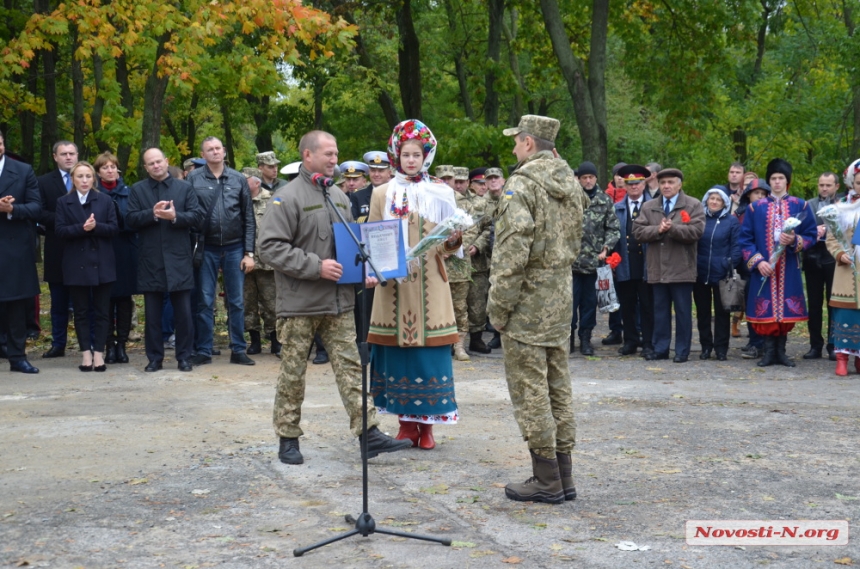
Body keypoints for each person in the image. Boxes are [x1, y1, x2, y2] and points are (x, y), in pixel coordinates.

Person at [257, 129, 412, 465]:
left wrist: (363, 272)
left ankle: (368, 434)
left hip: (339, 303)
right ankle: (288, 438)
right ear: (308, 155)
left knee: (353, 369)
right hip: (300, 304)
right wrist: (315, 267)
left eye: (336, 153)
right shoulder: (288, 197)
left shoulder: (338, 196)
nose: (334, 160)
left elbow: (349, 246)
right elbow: (268, 248)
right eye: (328, 154)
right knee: (293, 375)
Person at [489, 114, 587, 504]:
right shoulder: (570, 183)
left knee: (531, 390)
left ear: (529, 143)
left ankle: (546, 480)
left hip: (528, 304)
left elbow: (512, 256)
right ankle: (563, 476)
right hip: (560, 298)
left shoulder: (522, 185)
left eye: (517, 141)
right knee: (557, 387)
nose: (514, 148)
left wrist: (498, 309)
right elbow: (577, 241)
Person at [365, 120, 462, 450]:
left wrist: (453, 240)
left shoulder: (441, 191)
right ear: (396, 155)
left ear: (426, 156)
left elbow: (450, 249)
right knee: (396, 356)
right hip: (393, 287)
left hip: (431, 286)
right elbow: (372, 236)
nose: (410, 160)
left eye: (416, 154)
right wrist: (384, 263)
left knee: (429, 356)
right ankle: (406, 426)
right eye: (405, 154)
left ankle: (429, 427)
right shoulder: (382, 193)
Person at [127, 148, 202, 372]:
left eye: (159, 161)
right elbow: (129, 218)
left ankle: (184, 357)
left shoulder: (184, 187)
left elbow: (197, 216)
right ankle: (154, 358)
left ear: (166, 161)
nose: (156, 166)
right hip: (151, 259)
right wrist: (152, 214)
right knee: (152, 315)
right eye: (150, 163)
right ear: (145, 167)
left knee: (183, 313)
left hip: (178, 258)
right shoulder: (138, 190)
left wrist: (175, 217)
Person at [739, 158, 818, 367]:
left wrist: (795, 240)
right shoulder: (756, 208)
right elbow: (745, 240)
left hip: (789, 268)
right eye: (773, 178)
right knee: (765, 309)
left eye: (781, 178)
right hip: (764, 269)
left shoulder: (800, 205)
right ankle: (768, 351)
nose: (776, 182)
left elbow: (811, 235)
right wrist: (758, 262)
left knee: (786, 310)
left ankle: (781, 352)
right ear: (769, 181)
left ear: (787, 181)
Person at [186, 137, 256, 366]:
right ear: (203, 154)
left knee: (236, 301)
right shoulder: (194, 178)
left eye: (218, 148)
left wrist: (249, 252)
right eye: (210, 150)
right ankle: (204, 350)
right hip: (206, 247)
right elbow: (188, 212)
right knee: (205, 300)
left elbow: (248, 218)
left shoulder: (238, 179)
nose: (215, 152)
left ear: (224, 151)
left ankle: (238, 349)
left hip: (235, 247)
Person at [632, 168, 705, 362]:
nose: (666, 186)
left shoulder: (693, 205)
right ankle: (661, 348)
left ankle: (682, 351)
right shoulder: (649, 206)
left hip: (682, 268)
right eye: (663, 182)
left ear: (679, 185)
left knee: (683, 313)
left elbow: (696, 232)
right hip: (658, 269)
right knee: (660, 312)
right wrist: (658, 229)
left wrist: (673, 229)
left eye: (671, 182)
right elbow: (637, 231)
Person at [54, 161, 118, 372]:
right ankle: (85, 354)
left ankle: (99, 353)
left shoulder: (105, 200)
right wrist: (82, 228)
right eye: (79, 176)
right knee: (81, 311)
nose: (84, 180)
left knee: (101, 311)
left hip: (102, 262)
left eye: (88, 176)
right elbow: (60, 231)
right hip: (76, 264)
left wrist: (95, 227)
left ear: (94, 179)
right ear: (72, 179)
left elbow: (113, 229)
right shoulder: (64, 202)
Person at [0, 130, 42, 373]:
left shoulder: (24, 171)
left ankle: (17, 357)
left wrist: (10, 209)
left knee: (16, 306)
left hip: (15, 248)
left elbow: (36, 207)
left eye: (1, 142)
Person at [571, 160, 620, 355]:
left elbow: (614, 227)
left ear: (596, 178)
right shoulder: (571, 199)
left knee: (590, 304)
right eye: (584, 178)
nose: (588, 181)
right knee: (569, 304)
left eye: (591, 177)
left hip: (595, 263)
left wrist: (606, 248)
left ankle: (585, 338)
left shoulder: (604, 200)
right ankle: (568, 339)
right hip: (571, 263)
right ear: (579, 180)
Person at [94, 152, 138, 365]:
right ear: (98, 172)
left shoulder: (129, 192)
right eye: (105, 167)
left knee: (123, 300)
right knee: (105, 300)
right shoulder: (94, 193)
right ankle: (108, 345)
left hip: (125, 250)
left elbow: (135, 221)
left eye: (113, 167)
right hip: (102, 250)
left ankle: (122, 344)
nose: (110, 170)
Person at [38, 140, 79, 359]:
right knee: (59, 302)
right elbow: (39, 212)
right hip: (57, 249)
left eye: (72, 153)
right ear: (55, 157)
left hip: (84, 249)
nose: (68, 157)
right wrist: (67, 221)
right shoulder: (43, 182)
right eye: (63, 154)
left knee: (84, 301)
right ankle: (58, 344)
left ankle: (87, 344)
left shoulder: (88, 178)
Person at [693, 186, 741, 361]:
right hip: (700, 272)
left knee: (722, 313)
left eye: (718, 199)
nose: (714, 202)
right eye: (711, 198)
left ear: (724, 203)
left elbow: (737, 247)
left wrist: (727, 264)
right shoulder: (699, 219)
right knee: (703, 312)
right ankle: (706, 346)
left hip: (723, 273)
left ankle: (721, 349)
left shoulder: (731, 221)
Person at [612, 164, 655, 357]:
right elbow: (612, 234)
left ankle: (648, 342)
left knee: (647, 306)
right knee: (627, 305)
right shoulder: (617, 208)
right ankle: (630, 340)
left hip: (647, 264)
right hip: (625, 263)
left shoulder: (654, 207)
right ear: (625, 186)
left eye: (637, 183)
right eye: (630, 184)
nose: (634, 187)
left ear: (644, 184)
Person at [826, 159, 860, 375]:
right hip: (846, 272)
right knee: (844, 315)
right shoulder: (840, 208)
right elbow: (831, 239)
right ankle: (842, 358)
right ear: (851, 182)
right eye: (858, 182)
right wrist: (840, 254)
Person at [802, 172, 841, 360]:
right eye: (821, 185)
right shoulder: (808, 205)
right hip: (812, 258)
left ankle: (833, 345)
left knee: (833, 303)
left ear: (836, 187)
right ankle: (815, 345)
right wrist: (812, 231)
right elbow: (800, 230)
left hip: (834, 259)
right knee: (815, 304)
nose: (824, 188)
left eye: (828, 185)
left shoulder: (844, 206)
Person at [240, 168, 279, 356]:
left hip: (267, 262)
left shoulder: (272, 199)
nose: (241, 183)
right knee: (248, 303)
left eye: (245, 180)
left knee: (271, 303)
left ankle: (275, 339)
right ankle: (254, 340)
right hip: (244, 262)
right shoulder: (237, 200)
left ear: (256, 182)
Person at [735, 178, 770, 359]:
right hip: (747, 266)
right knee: (749, 305)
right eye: (757, 193)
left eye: (764, 194)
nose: (760, 197)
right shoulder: (740, 214)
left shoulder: (771, 213)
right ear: (749, 194)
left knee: (764, 306)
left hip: (766, 266)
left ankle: (763, 344)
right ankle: (754, 341)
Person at [466, 167, 494, 353]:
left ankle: (476, 338)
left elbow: (489, 229)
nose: (483, 187)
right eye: (479, 183)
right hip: (456, 261)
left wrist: (477, 245)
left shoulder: (485, 204)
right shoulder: (453, 200)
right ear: (471, 184)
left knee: (478, 303)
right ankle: (456, 341)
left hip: (478, 262)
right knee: (457, 304)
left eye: (485, 183)